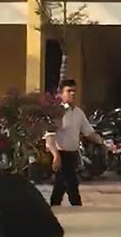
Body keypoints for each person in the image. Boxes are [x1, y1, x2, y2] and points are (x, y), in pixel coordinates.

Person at [45, 79, 106, 207]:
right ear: (61, 94)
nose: (72, 94)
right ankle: (77, 208)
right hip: (60, 154)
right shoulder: (57, 113)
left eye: (74, 91)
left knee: (60, 186)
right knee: (72, 185)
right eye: (68, 91)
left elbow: (89, 132)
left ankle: (54, 208)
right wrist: (55, 155)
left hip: (72, 154)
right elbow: (50, 136)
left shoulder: (78, 112)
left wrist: (103, 142)